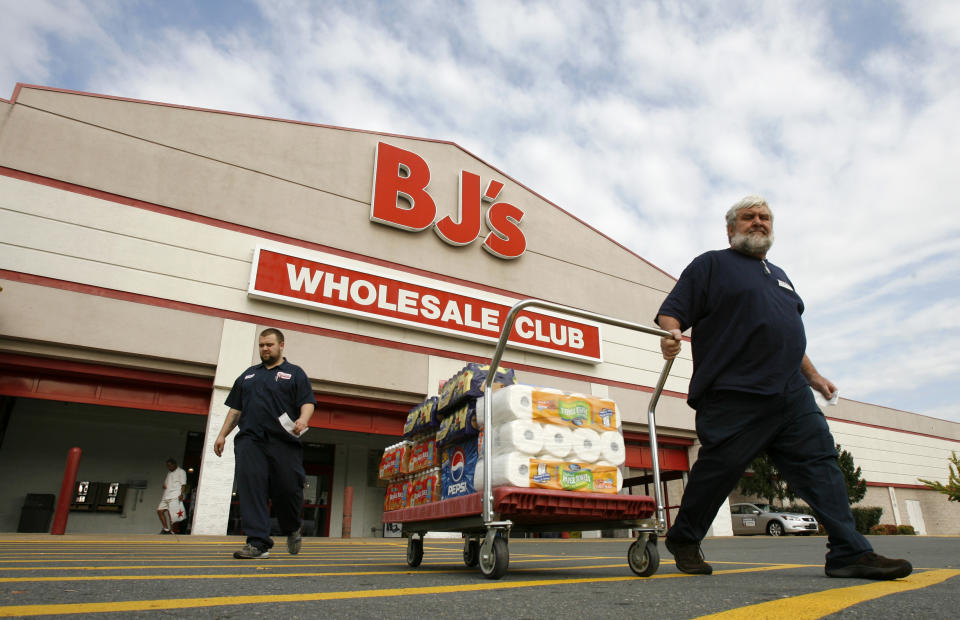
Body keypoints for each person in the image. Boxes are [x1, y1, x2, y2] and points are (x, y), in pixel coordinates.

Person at [656, 195, 912, 580]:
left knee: (822, 464)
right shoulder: (711, 264)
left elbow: (787, 332)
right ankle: (685, 537)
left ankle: (848, 551)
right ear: (731, 228)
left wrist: (813, 376)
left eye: (764, 217)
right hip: (734, 390)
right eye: (748, 217)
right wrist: (671, 333)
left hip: (790, 393)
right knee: (718, 471)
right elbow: (673, 309)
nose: (758, 222)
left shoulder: (780, 275)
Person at [214, 328, 316, 559]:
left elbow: (308, 402)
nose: (265, 349)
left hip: (283, 442)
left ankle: (291, 527)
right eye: (261, 345)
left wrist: (303, 419)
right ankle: (258, 543)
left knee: (288, 489)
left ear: (281, 345)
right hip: (250, 441)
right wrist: (222, 435)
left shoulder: (294, 373)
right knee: (252, 489)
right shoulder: (248, 376)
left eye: (269, 344)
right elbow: (236, 409)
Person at [157, 458, 187, 535]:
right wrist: (164, 485)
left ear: (175, 464)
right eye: (168, 466)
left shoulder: (181, 472)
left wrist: (181, 494)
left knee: (172, 515)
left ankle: (172, 531)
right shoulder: (169, 473)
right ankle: (166, 529)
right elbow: (165, 484)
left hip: (175, 496)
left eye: (170, 466)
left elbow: (183, 484)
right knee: (159, 511)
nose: (169, 467)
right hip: (166, 495)